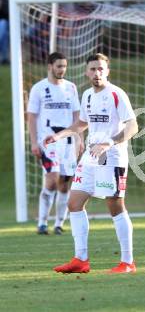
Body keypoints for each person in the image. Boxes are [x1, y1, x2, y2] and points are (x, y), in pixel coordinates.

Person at [45, 53, 138, 274]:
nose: (97, 73)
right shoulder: (87, 95)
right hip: (90, 156)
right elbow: (82, 123)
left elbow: (133, 126)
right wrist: (60, 135)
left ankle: (128, 262)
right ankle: (81, 259)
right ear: (87, 72)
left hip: (112, 156)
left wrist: (110, 143)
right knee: (74, 203)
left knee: (115, 205)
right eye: (93, 69)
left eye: (101, 69)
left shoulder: (116, 94)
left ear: (108, 71)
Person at [27, 52, 83, 235]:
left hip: (67, 142)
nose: (62, 70)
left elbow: (77, 116)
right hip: (48, 141)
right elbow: (32, 117)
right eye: (59, 66)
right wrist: (34, 142)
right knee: (52, 179)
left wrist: (79, 139)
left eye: (64, 66)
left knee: (64, 183)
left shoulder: (71, 88)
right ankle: (42, 222)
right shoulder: (39, 88)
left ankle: (59, 223)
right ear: (50, 66)